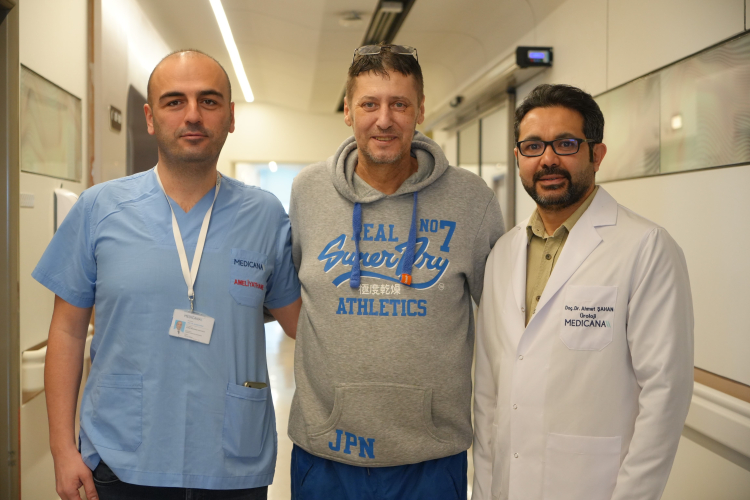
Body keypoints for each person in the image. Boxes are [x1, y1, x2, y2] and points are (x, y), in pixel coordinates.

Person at [33, 50, 301, 500]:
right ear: (150, 118)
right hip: (122, 458)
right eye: (175, 101)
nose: (193, 115)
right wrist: (62, 449)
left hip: (232, 463)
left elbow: (302, 324)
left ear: (231, 117)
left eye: (209, 101)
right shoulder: (99, 209)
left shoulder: (265, 215)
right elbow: (67, 331)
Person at [287, 43, 504, 499]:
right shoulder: (309, 191)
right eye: (369, 104)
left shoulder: (472, 200)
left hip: (431, 457)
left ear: (420, 110)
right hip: (326, 454)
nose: (384, 120)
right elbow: (295, 294)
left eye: (399, 104)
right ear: (348, 111)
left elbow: (503, 321)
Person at [472, 84, 694, 500]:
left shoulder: (646, 247)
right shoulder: (503, 253)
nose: (548, 159)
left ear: (597, 154)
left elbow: (665, 392)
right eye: (533, 146)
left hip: (593, 485)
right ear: (518, 158)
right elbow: (487, 391)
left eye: (566, 144)